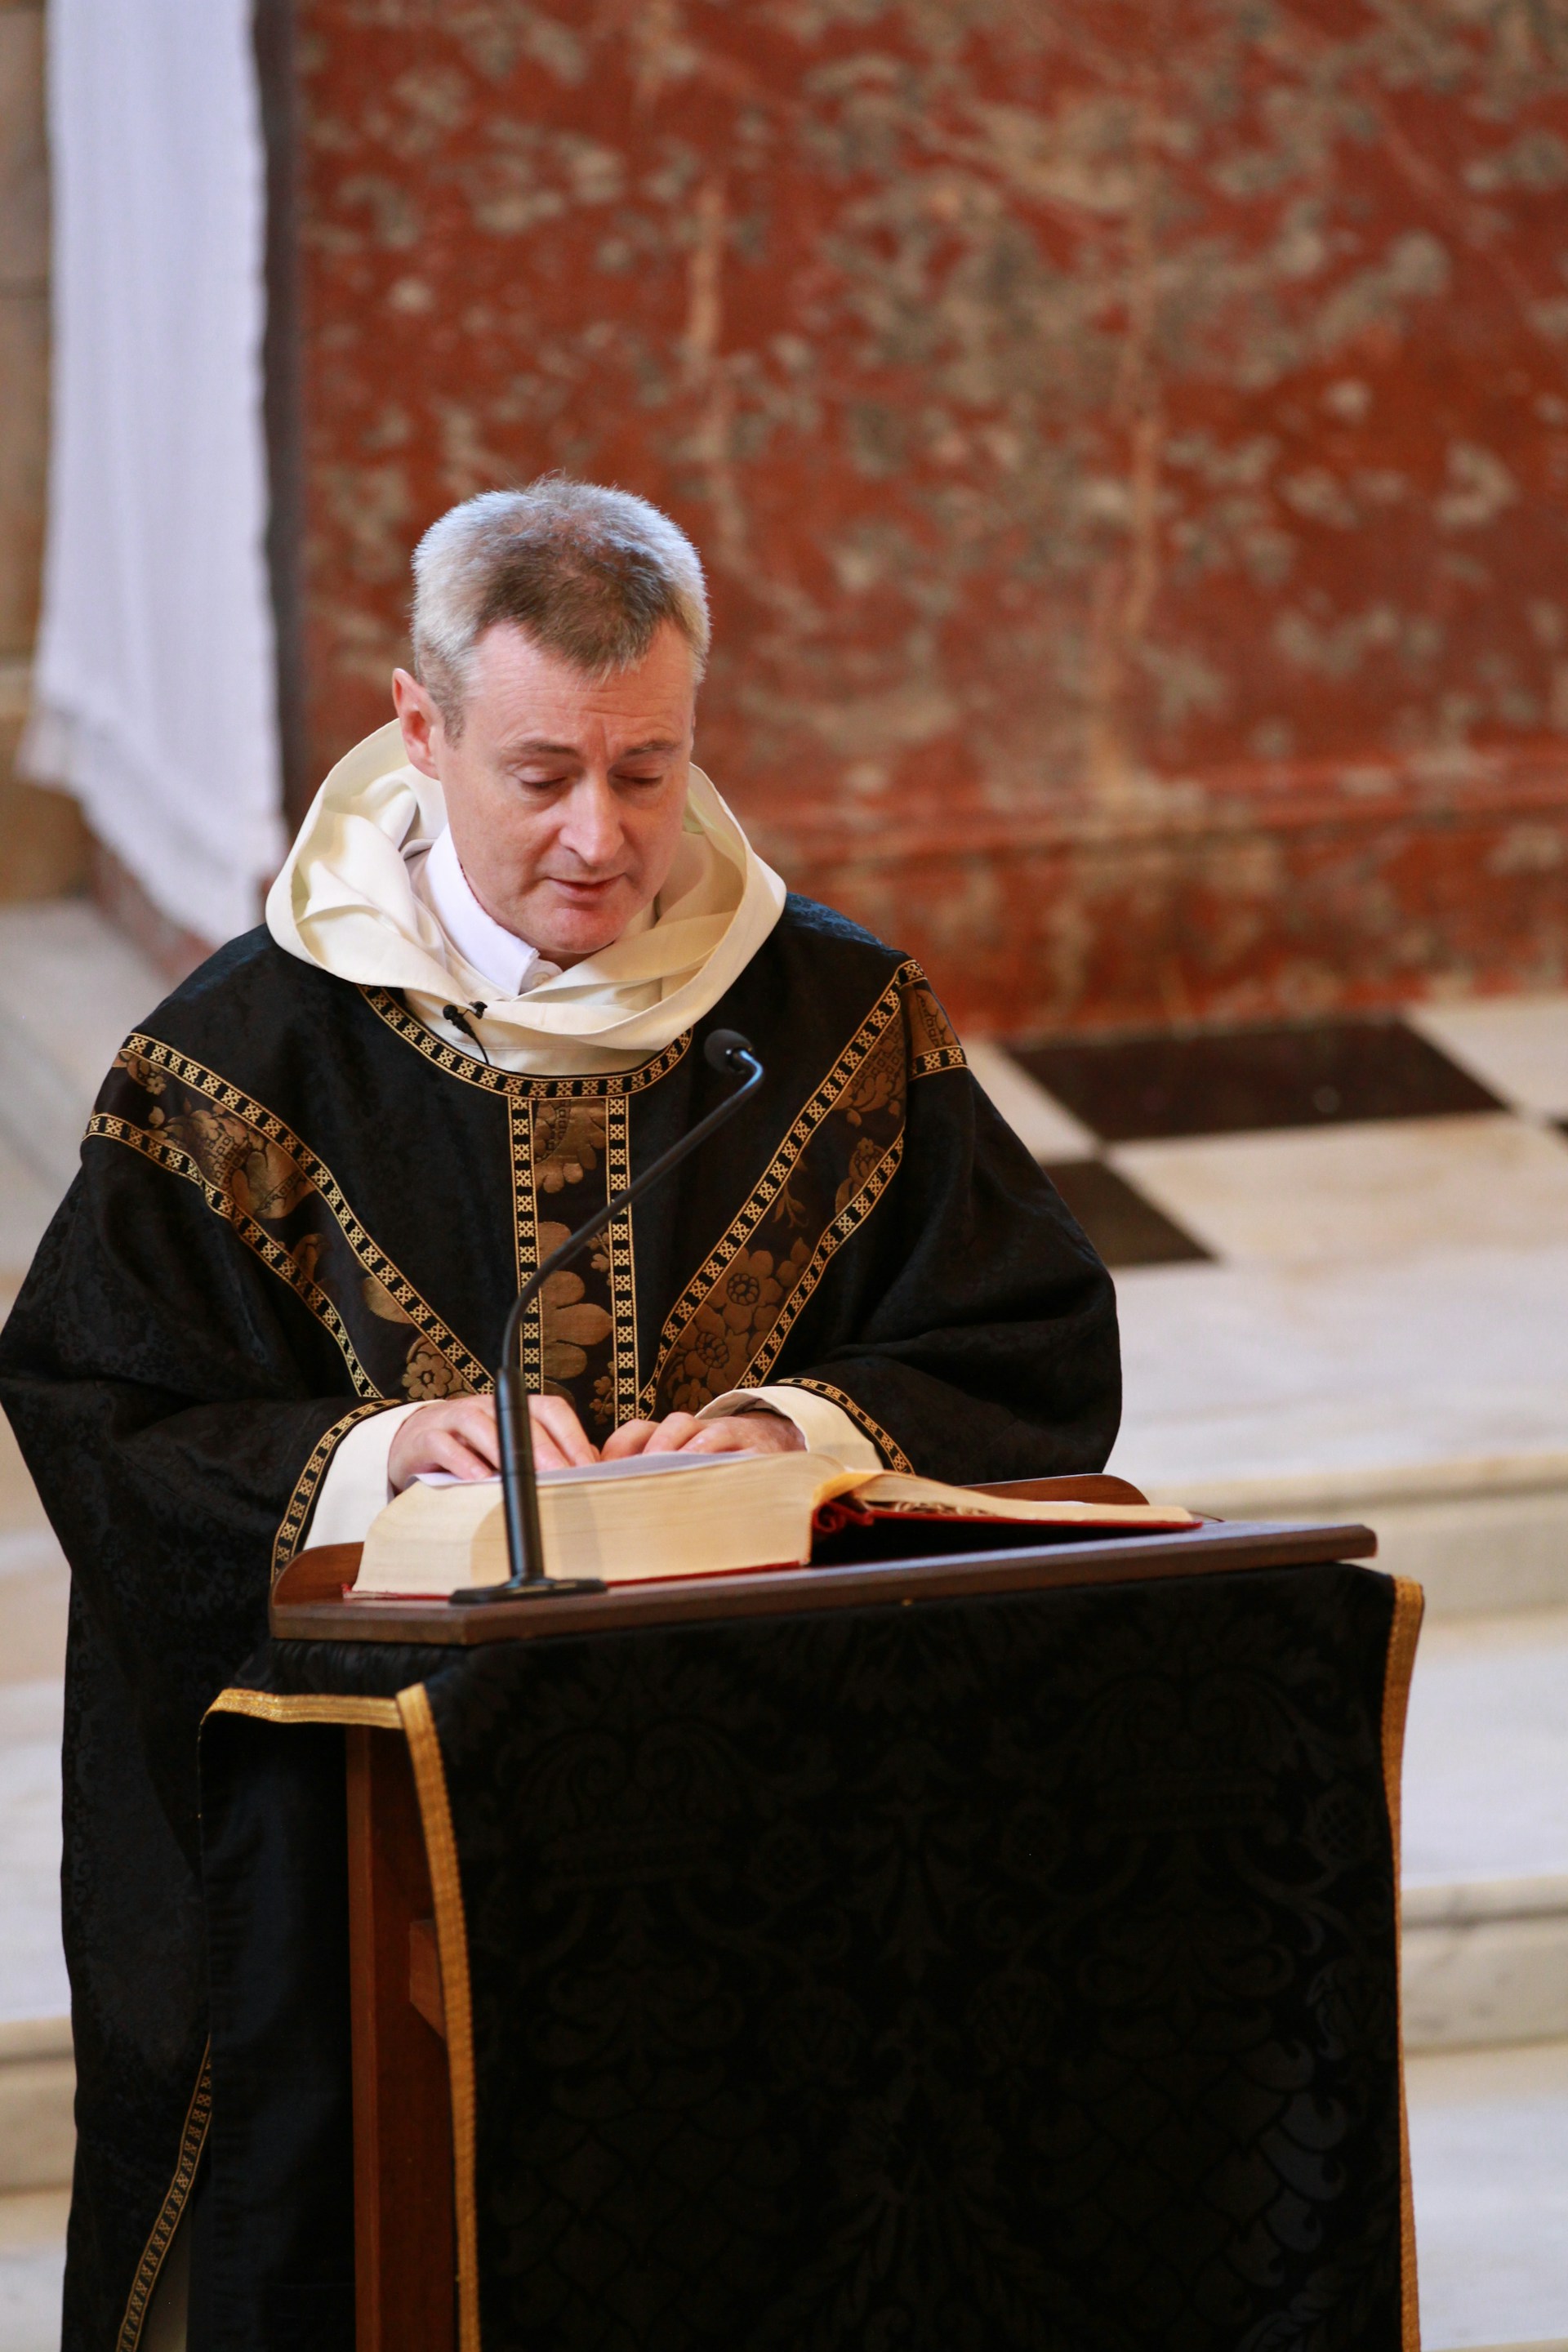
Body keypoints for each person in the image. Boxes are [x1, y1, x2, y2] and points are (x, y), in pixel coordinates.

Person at [0, 478, 1119, 2349]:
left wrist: (800, 1432)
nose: (600, 839)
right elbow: (96, 1398)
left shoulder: (832, 1018)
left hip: (767, 1808)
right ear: (417, 729)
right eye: (539, 775)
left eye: (649, 769)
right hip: (375, 1832)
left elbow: (1027, 1350)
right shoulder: (240, 1055)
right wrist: (369, 1456)